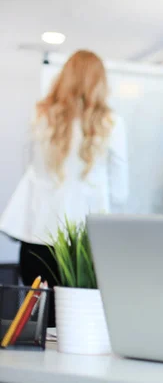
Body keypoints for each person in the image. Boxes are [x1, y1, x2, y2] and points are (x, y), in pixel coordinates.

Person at [0, 50, 129, 327]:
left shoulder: (42, 116)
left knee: (39, 325)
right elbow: (121, 193)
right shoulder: (112, 124)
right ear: (99, 82)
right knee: (80, 325)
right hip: (84, 245)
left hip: (37, 239)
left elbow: (30, 174)